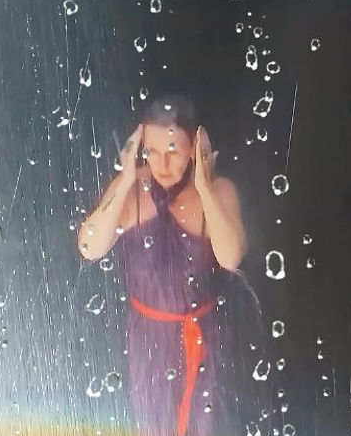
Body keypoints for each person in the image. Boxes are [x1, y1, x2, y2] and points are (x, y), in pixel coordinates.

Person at [77, 94, 269, 436]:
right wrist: (124, 180)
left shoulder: (218, 191)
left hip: (203, 336)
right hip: (148, 338)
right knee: (152, 422)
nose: (161, 165)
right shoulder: (132, 190)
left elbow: (231, 257)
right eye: (151, 152)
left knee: (206, 423)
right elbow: (90, 247)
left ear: (194, 147)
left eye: (174, 152)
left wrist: (204, 188)